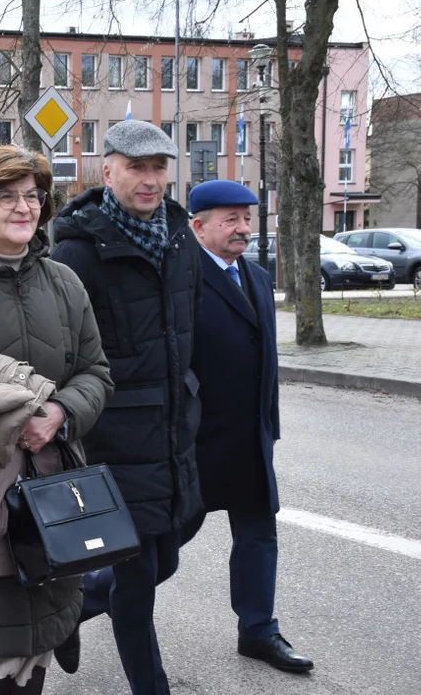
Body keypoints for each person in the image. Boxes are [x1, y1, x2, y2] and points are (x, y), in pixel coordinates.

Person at [0, 146, 113, 695]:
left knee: (33, 653)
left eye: (32, 195)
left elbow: (96, 373)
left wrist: (60, 412)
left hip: (50, 493)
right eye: (6, 195)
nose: (24, 207)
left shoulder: (63, 283)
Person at [50, 120, 203, 695]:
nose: (150, 180)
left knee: (165, 561)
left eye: (158, 168)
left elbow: (192, 333)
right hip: (111, 438)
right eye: (137, 168)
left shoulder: (181, 236)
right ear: (107, 170)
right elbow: (62, 352)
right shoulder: (77, 249)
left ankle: (75, 608)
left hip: (170, 434)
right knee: (138, 584)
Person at [184, 180, 314, 672]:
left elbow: (267, 361)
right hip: (199, 440)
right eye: (230, 219)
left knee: (259, 535)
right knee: (161, 548)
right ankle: (79, 607)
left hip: (251, 438)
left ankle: (259, 631)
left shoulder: (257, 277)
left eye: (247, 218)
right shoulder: (183, 278)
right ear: (198, 226)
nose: (243, 229)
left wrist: (270, 426)